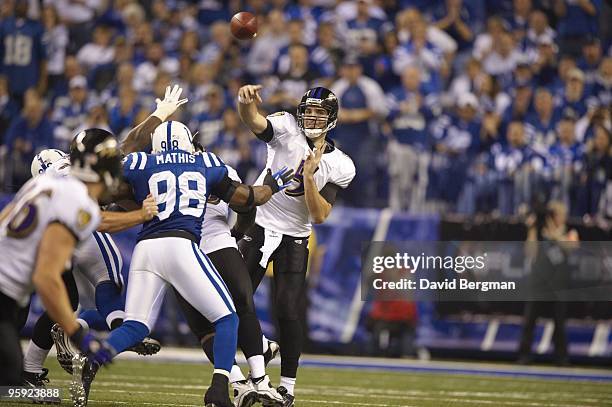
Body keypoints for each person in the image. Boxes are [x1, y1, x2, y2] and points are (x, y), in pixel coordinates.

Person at [74, 114, 294, 407]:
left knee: (135, 327)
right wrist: (274, 186)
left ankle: (93, 359)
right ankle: (219, 391)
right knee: (228, 318)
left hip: (146, 250)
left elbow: (112, 172)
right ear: (188, 142)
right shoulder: (206, 163)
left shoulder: (141, 162)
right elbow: (246, 198)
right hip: (181, 244)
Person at [237, 84, 356, 406]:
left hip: (295, 235)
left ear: (331, 118)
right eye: (308, 110)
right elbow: (254, 122)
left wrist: (308, 178)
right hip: (260, 224)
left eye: (320, 112)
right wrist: (245, 104)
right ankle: (258, 355)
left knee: (288, 309)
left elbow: (319, 215)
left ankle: (287, 386)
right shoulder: (286, 127)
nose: (312, 117)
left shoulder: (341, 164)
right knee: (236, 302)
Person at [21, 148, 161, 391]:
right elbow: (101, 217)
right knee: (108, 276)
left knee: (66, 300)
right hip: (81, 230)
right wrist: (141, 214)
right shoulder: (74, 176)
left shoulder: (38, 188)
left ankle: (31, 368)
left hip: (49, 239)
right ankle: (122, 330)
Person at [0, 128, 122, 387]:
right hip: (4, 289)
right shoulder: (79, 201)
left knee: (9, 374)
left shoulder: (41, 183)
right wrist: (78, 334)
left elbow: (5, 219)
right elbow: (46, 277)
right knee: (9, 376)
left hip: (8, 290)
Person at [518, 200, 577, 365]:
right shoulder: (539, 231)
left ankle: (561, 357)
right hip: (539, 284)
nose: (561, 218)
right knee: (529, 321)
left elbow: (572, 246)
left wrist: (555, 234)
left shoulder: (569, 231)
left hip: (558, 286)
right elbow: (530, 252)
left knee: (559, 323)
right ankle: (524, 354)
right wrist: (532, 229)